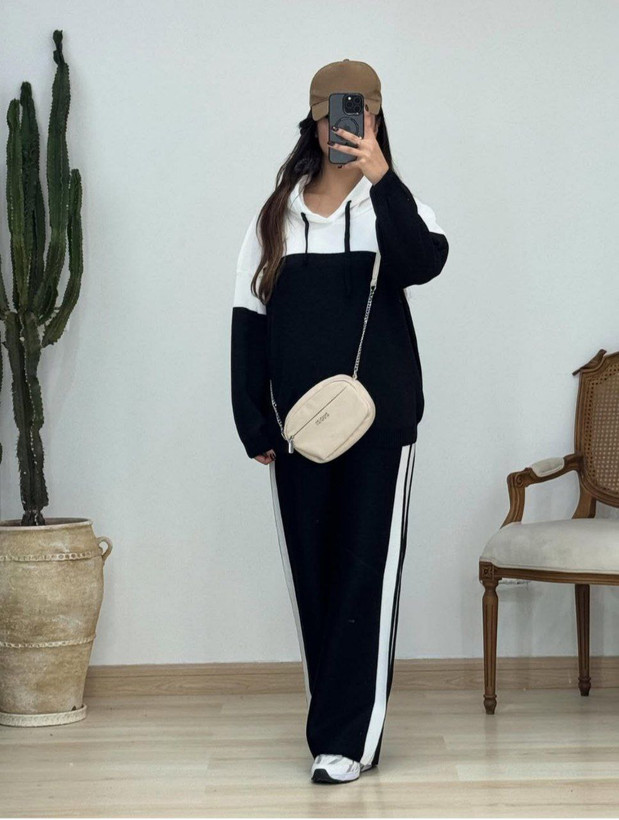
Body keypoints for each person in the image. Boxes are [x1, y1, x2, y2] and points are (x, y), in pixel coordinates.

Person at [230, 59, 449, 784]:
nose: (343, 127)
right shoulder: (275, 218)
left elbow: (421, 264)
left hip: (381, 427)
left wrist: (382, 178)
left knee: (365, 575)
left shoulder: (397, 208)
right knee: (313, 573)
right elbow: (248, 322)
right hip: (299, 432)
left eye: (358, 114)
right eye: (331, 115)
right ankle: (336, 727)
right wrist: (254, 420)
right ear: (314, 121)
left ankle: (345, 741)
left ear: (377, 120)